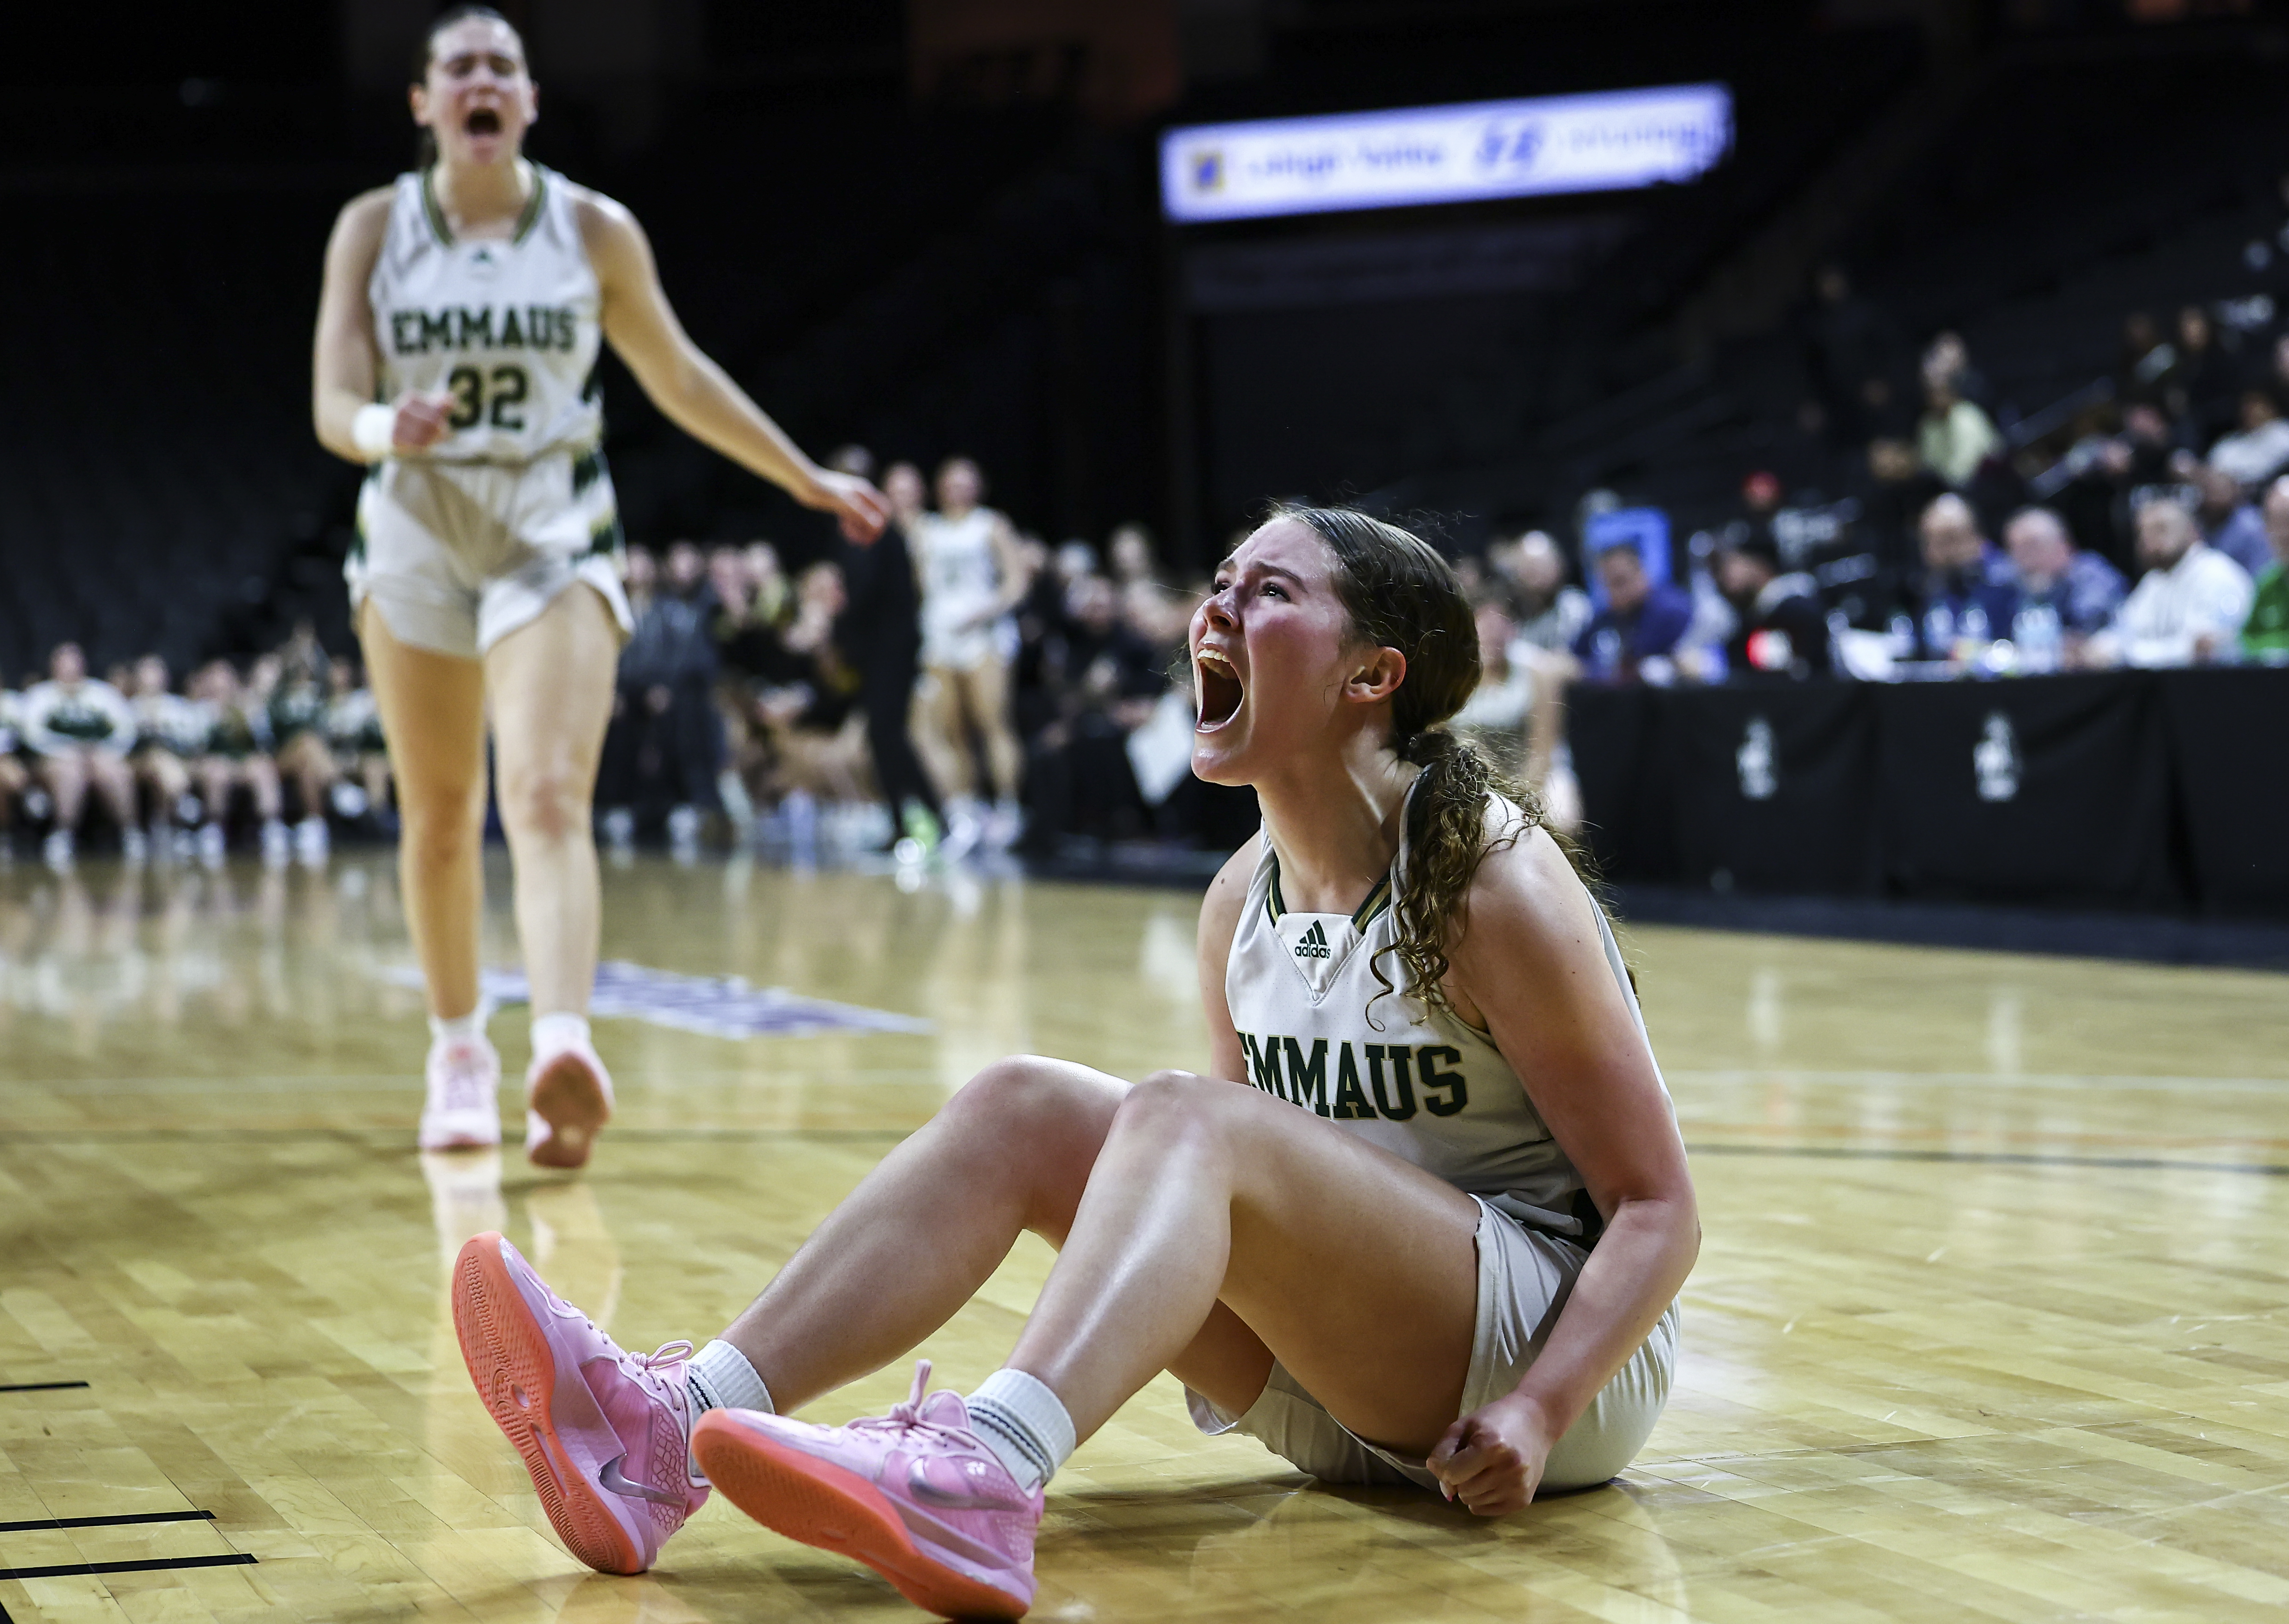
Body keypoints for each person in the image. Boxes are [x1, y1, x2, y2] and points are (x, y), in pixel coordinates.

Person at [448, 505, 1694, 1616]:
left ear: (1371, 673)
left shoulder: (1489, 879)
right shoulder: (1237, 902)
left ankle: (987, 1466)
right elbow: (1257, 1213)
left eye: (1267, 591)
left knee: (1190, 1117)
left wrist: (1539, 1407)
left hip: (1553, 1372)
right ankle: (663, 1432)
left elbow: (1657, 1208)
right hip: (1350, 1383)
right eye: (1217, 583)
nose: (1216, 608)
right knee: (1020, 1103)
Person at [310, 6, 885, 1163]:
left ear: (528, 99)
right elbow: (331, 400)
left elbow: (679, 375)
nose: (481, 80)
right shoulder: (373, 225)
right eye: (459, 66)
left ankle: (562, 1050)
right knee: (439, 817)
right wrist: (381, 425)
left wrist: (802, 475)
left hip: (550, 524)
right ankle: (458, 1052)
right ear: (424, 101)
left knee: (544, 794)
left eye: (502, 65)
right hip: (416, 527)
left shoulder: (592, 228)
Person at [911, 456, 1033, 854]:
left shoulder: (990, 525)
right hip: (940, 633)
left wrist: (985, 611)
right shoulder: (927, 529)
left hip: (983, 632)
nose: (957, 490)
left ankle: (1009, 808)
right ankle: (965, 812)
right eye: (951, 483)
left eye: (965, 483)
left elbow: (1016, 581)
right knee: (950, 728)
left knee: (992, 721)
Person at [839, 459, 945, 853]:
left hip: (893, 650)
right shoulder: (864, 530)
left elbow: (867, 594)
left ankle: (933, 817)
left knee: (888, 734)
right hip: (877, 652)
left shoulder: (880, 530)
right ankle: (906, 820)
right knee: (883, 737)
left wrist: (839, 623)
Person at [2084, 494, 2254, 669]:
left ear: (2192, 530)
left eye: (2161, 529)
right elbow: (2122, 630)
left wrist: (2127, 654)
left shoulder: (2218, 574)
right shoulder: (2154, 581)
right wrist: (2096, 648)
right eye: (2143, 532)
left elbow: (2204, 650)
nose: (2150, 540)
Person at [18, 643, 139, 870]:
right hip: (56, 757)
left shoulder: (103, 693)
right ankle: (63, 833)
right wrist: (69, 749)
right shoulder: (40, 695)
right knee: (69, 771)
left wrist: (100, 751)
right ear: (53, 667)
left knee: (115, 770)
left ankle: (130, 832)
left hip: (100, 755)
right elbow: (31, 734)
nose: (70, 670)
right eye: (64, 665)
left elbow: (126, 730)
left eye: (74, 664)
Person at [1997, 506, 2124, 670]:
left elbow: (2087, 629)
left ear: (2063, 545)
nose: (2025, 557)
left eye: (2033, 546)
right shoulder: (2012, 584)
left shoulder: (2091, 574)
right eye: (2015, 549)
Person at [189, 661, 287, 865]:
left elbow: (263, 742)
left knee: (262, 768)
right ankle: (213, 828)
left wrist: (249, 713)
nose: (220, 689)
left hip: (243, 762)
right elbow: (195, 748)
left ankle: (272, 827)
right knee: (217, 772)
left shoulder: (248, 708)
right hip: (213, 763)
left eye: (225, 683)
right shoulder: (199, 710)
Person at [1709, 533, 1831, 681]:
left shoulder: (1798, 603)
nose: (1722, 578)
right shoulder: (1743, 625)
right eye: (1715, 572)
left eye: (1727, 565)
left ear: (1757, 562)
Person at [1910, 493, 2016, 659]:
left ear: (1977, 537)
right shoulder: (1928, 590)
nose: (1944, 552)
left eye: (1951, 539)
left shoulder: (2007, 585)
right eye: (1932, 541)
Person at [1573, 541, 1692, 683]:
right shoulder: (1606, 618)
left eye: (1619, 582)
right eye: (1606, 584)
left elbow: (1638, 660)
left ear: (1641, 573)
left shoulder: (1670, 611)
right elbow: (1576, 657)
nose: (1613, 592)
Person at [127, 655, 206, 858]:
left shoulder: (179, 706)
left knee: (165, 765)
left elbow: (193, 741)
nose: (151, 678)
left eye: (156, 672)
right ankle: (182, 808)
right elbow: (123, 744)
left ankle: (164, 824)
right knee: (157, 759)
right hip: (139, 763)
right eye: (146, 673)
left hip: (178, 761)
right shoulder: (129, 708)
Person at [268, 653, 336, 865]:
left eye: (306, 665)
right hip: (279, 757)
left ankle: (315, 824)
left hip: (311, 759)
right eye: (298, 665)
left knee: (307, 765)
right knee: (305, 741)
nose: (302, 669)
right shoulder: (277, 698)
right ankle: (338, 786)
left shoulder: (320, 697)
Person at [2245, 475, 2289, 659]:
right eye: (2276, 522)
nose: (2284, 533)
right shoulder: (2266, 582)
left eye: (2288, 520)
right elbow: (2245, 641)